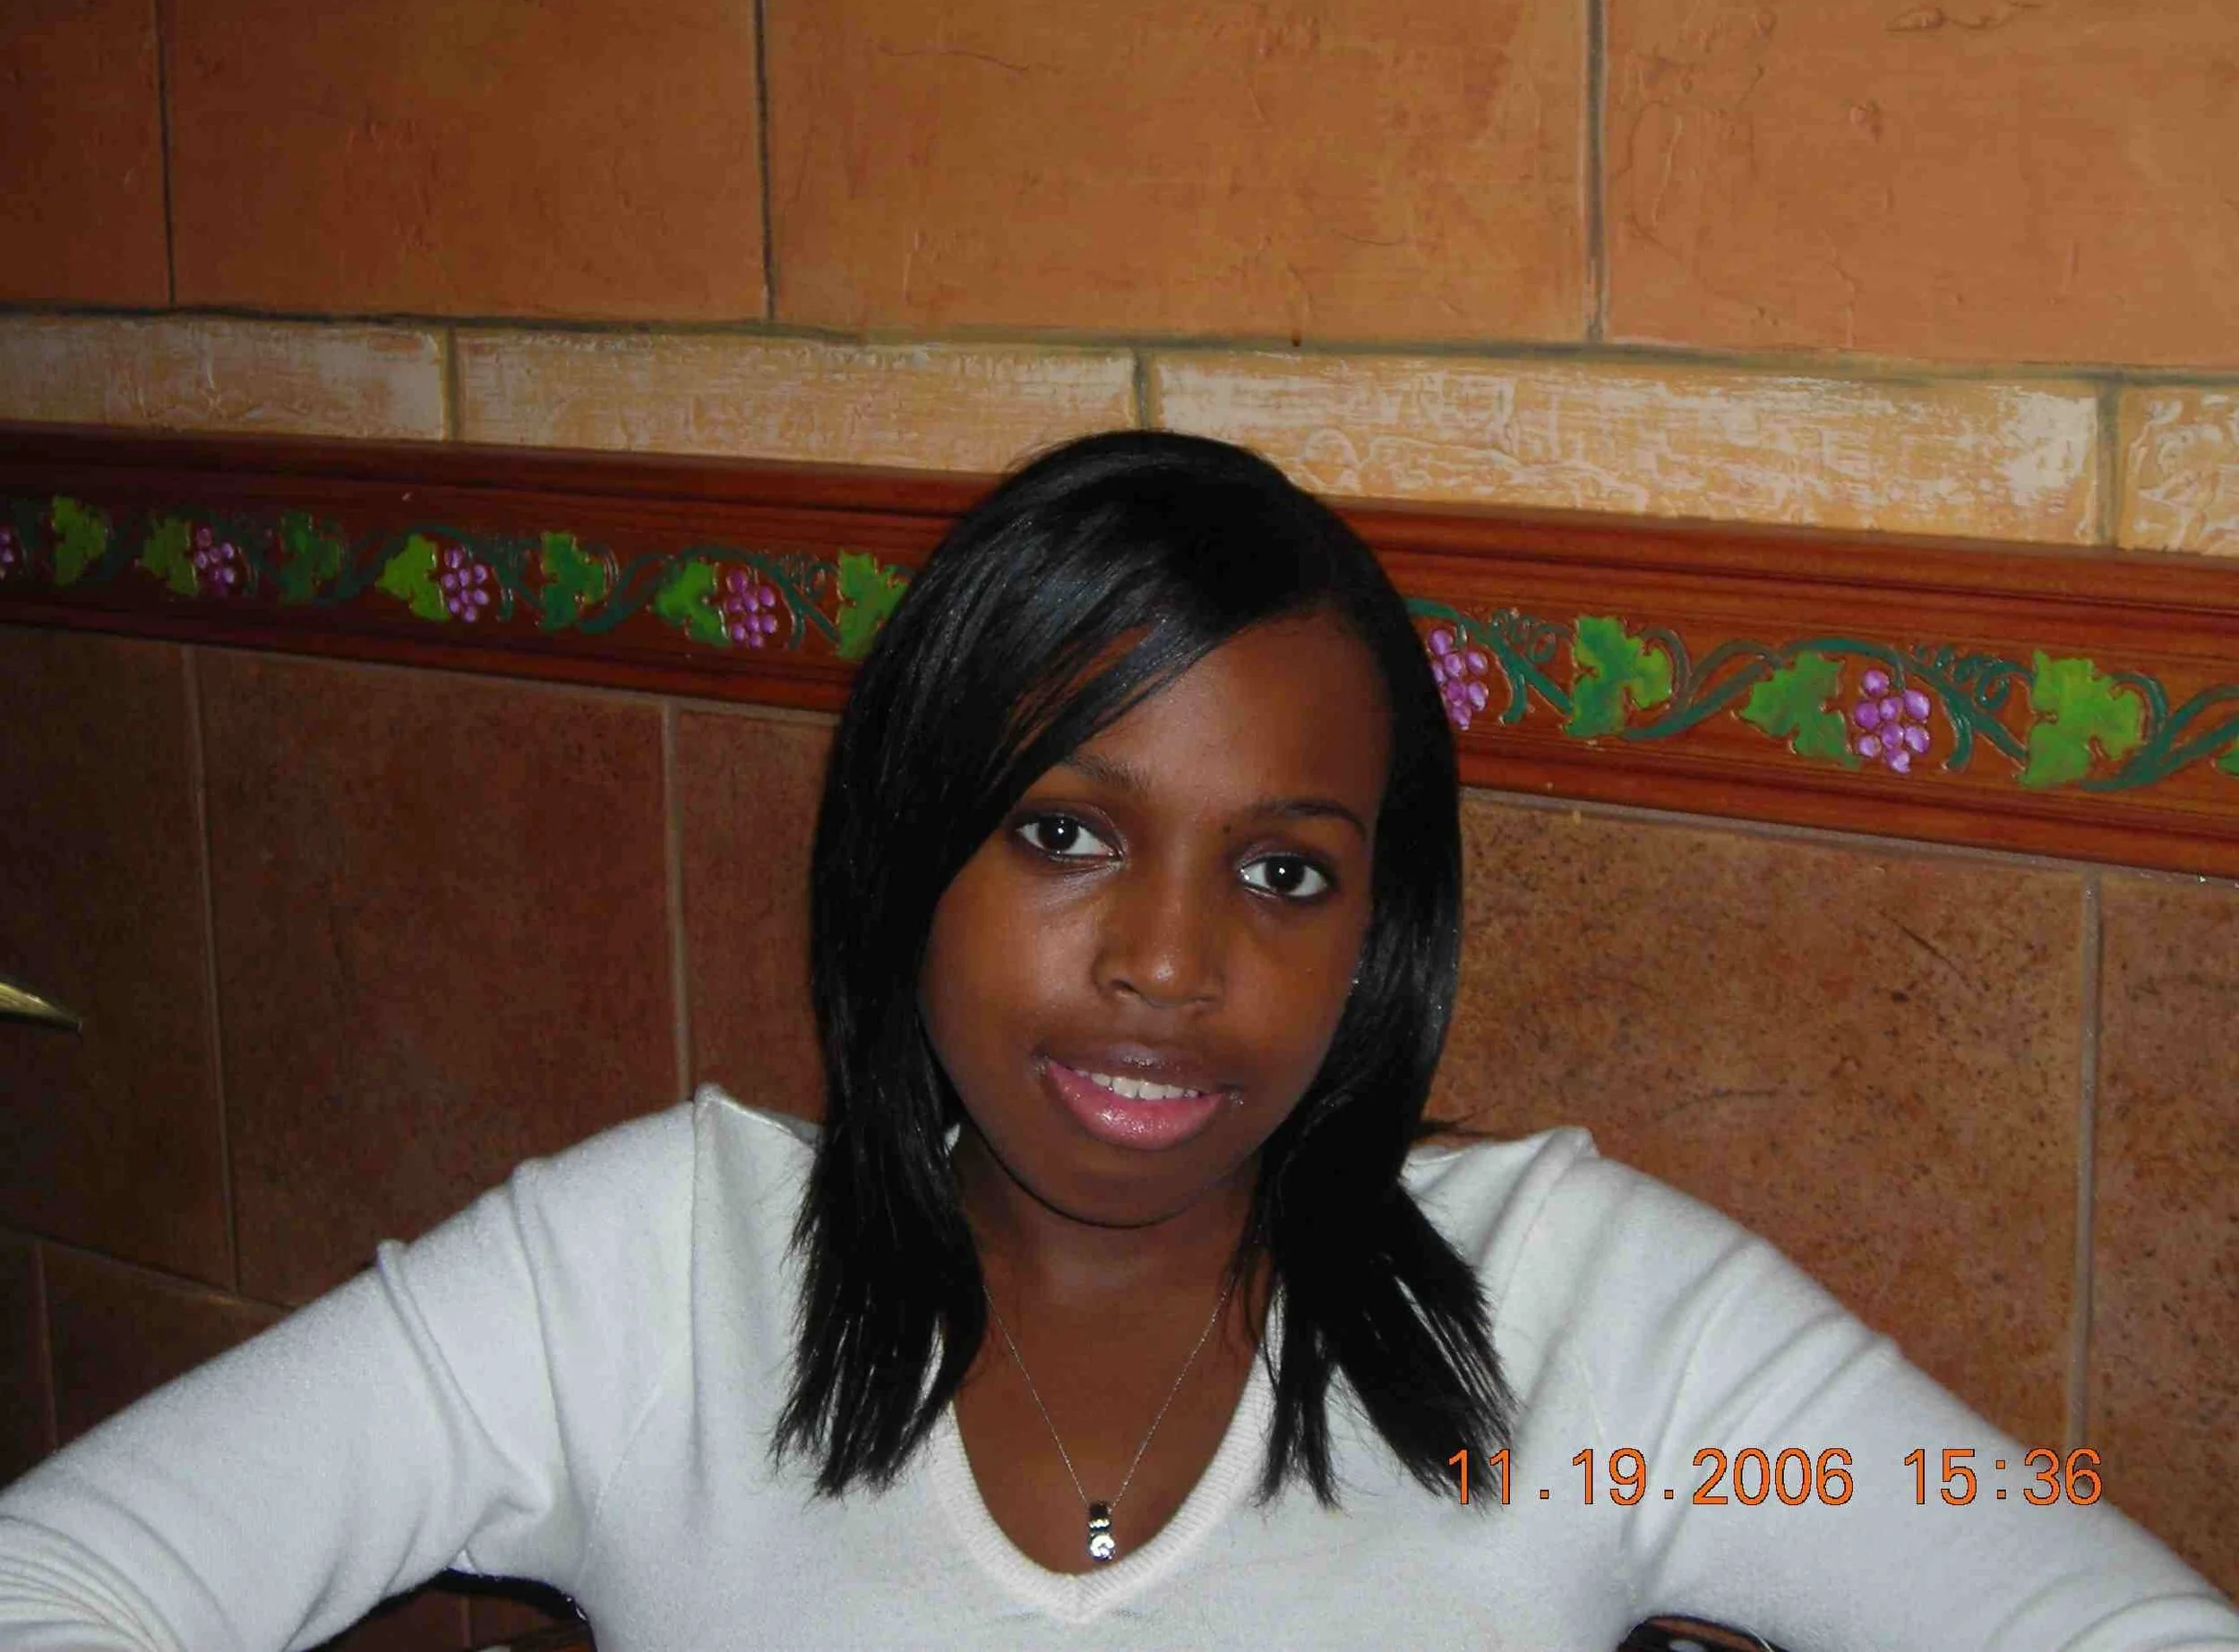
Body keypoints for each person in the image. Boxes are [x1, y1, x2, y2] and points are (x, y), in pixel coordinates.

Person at [0, 432, 2233, 1651]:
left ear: (1381, 927)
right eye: (1066, 831)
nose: (1172, 966)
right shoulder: (646, 1276)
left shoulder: (1591, 1322)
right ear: (909, 858)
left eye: (1283, 872)